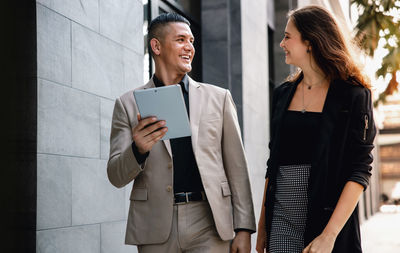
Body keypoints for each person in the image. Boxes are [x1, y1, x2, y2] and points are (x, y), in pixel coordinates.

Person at [107, 13, 256, 253]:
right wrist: (138, 150)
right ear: (156, 46)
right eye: (180, 40)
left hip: (209, 221)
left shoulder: (219, 99)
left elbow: (237, 167)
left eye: (192, 41)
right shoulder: (128, 104)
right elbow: (115, 175)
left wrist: (244, 228)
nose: (190, 48)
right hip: (154, 225)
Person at [255, 5, 376, 253]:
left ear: (310, 42)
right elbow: (273, 163)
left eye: (287, 36)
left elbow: (359, 169)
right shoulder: (281, 95)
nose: (281, 44)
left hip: (327, 223)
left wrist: (329, 235)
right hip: (281, 223)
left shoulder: (353, 96)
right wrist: (263, 225)